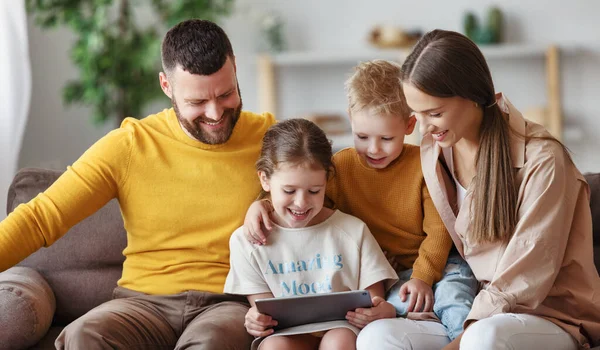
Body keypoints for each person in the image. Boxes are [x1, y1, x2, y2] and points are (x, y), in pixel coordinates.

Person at [0, 19, 275, 349]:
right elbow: (39, 219)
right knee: (84, 334)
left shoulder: (270, 140)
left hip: (226, 305)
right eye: (198, 102)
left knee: (211, 342)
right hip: (143, 304)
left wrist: (269, 202)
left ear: (235, 71)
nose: (216, 112)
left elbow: (327, 193)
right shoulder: (130, 145)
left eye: (226, 93)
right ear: (166, 85)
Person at [358, 29, 600, 350]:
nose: (424, 127)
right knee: (378, 337)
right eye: (417, 114)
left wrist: (457, 342)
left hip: (549, 314)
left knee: (484, 338)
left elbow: (523, 281)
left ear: (471, 95)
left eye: (435, 113)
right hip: (472, 305)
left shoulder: (543, 159)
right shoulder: (436, 148)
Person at [244, 60, 478, 347]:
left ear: (409, 125)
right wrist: (263, 205)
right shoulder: (339, 167)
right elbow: (305, 203)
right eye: (363, 136)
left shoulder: (424, 165)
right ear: (350, 118)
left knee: (456, 303)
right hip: (384, 275)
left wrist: (423, 277)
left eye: (386, 138)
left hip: (438, 264)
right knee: (380, 309)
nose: (373, 148)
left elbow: (440, 231)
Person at [224, 118, 399, 350]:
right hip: (286, 335)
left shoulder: (352, 230)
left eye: (314, 191)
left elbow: (373, 299)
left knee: (338, 340)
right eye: (289, 190)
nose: (301, 202)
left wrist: (378, 310)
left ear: (326, 180)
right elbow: (265, 312)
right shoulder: (247, 241)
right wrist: (256, 320)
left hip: (342, 330)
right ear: (265, 179)